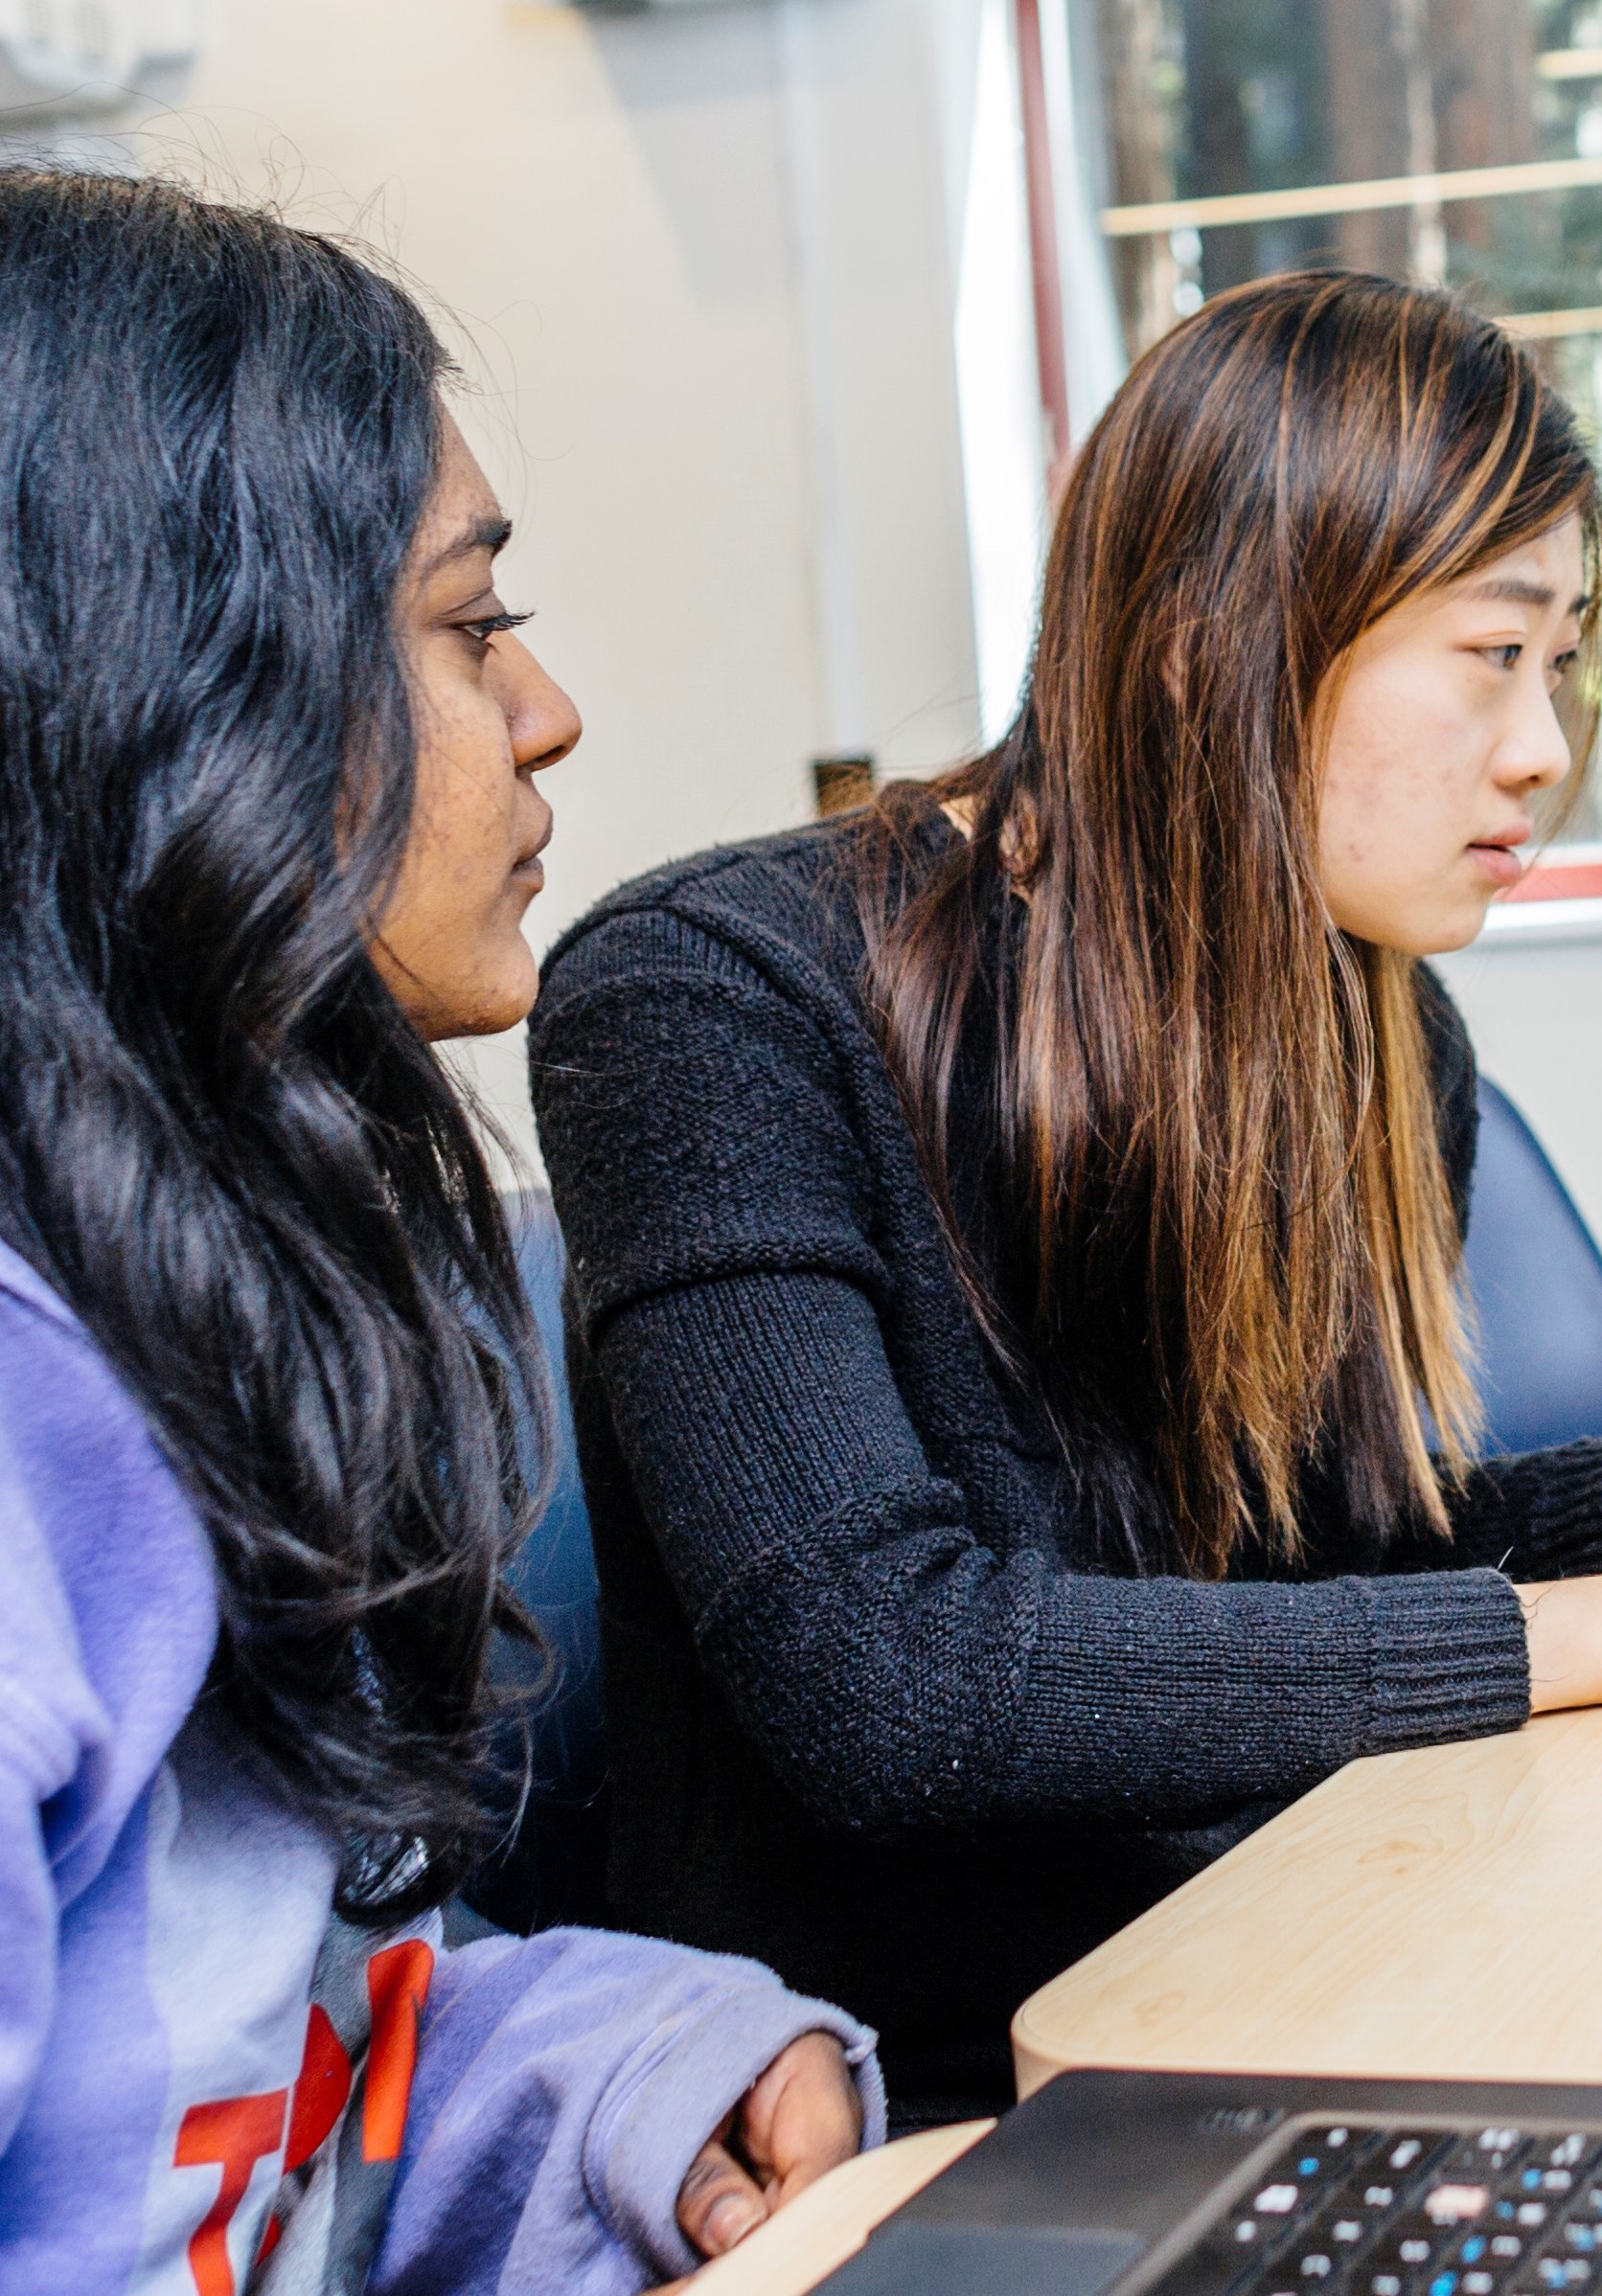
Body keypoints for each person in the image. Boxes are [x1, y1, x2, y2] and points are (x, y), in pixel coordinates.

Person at [528, 270, 1602, 2127]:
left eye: (1559, 661)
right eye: (1491, 652)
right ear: (1204, 638)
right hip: (925, 2091)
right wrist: (1593, 1634)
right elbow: (889, 1672)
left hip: (1294, 1944)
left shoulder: (1368, 1022)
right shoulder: (708, 992)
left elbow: (1272, 1568)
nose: (1542, 747)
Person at [0, 171, 881, 2296]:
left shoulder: (191, 1309)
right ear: (174, 689)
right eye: (470, 619)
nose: (544, 706)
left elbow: (255, 2073)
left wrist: (630, 2071)